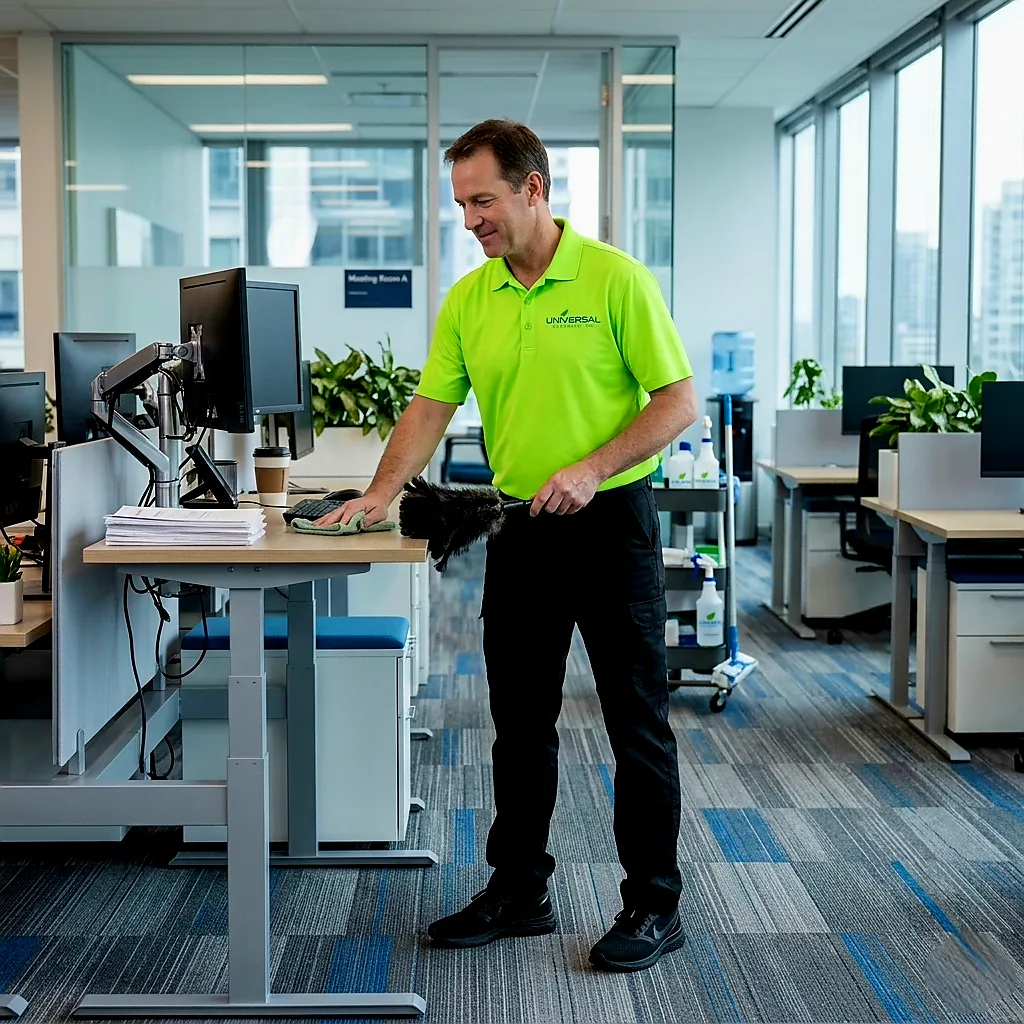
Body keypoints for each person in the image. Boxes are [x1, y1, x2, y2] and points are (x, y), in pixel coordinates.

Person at [315, 118, 698, 973]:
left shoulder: (614, 279)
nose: (471, 220)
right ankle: (520, 889)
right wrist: (379, 491)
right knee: (521, 726)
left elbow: (677, 402)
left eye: (482, 200)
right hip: (522, 528)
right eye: (461, 204)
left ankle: (654, 904)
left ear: (534, 188)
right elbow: (431, 406)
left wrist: (594, 468)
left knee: (637, 721)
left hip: (612, 523)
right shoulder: (471, 298)